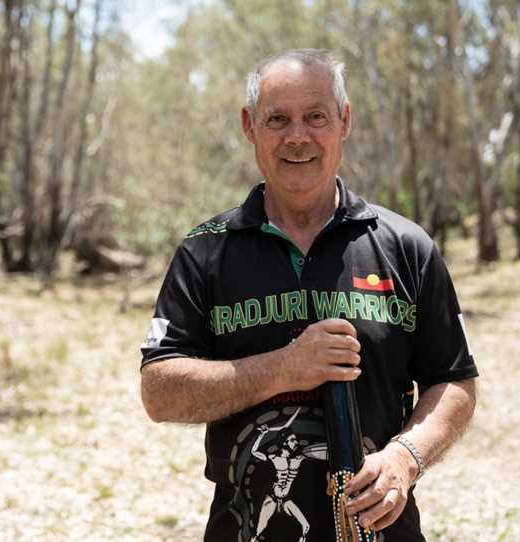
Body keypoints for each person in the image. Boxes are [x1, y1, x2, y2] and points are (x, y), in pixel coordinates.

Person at [140, 49, 477, 542]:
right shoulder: (205, 250)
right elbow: (159, 391)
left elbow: (455, 383)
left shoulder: (406, 246)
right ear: (249, 125)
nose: (297, 136)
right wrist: (284, 368)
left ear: (344, 121)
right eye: (277, 119)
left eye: (315, 116)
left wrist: (406, 459)